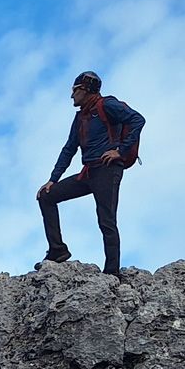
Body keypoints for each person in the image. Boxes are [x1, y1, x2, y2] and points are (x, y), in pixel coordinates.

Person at [37, 71, 144, 275]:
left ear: (84, 90)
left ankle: (112, 273)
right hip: (88, 173)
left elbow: (138, 120)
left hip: (107, 170)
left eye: (74, 91)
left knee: (106, 219)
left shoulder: (107, 105)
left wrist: (120, 151)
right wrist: (53, 180)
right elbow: (69, 149)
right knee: (46, 196)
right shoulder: (80, 118)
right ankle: (58, 250)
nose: (72, 96)